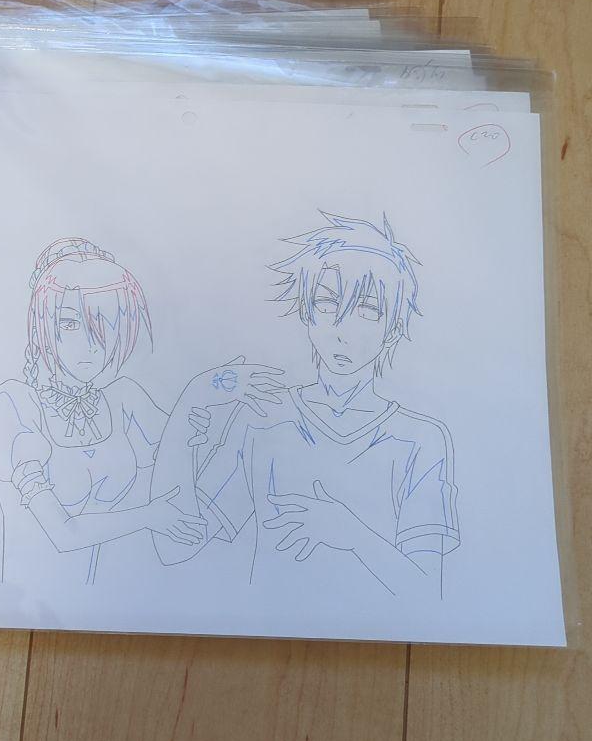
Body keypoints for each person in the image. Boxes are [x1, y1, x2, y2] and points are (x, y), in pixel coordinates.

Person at [151, 213, 459, 600]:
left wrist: (351, 534)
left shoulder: (419, 439)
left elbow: (428, 592)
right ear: (305, 311)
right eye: (327, 302)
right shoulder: (263, 417)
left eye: (367, 309)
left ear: (393, 329)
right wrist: (189, 406)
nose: (342, 329)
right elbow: (175, 545)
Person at [0, 238, 279, 588]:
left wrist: (207, 394)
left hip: (109, 603)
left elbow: (182, 468)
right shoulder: (14, 403)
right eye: (70, 324)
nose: (91, 344)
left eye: (104, 325)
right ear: (41, 326)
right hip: (27, 604)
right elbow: (63, 534)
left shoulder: (123, 398)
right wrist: (150, 516)